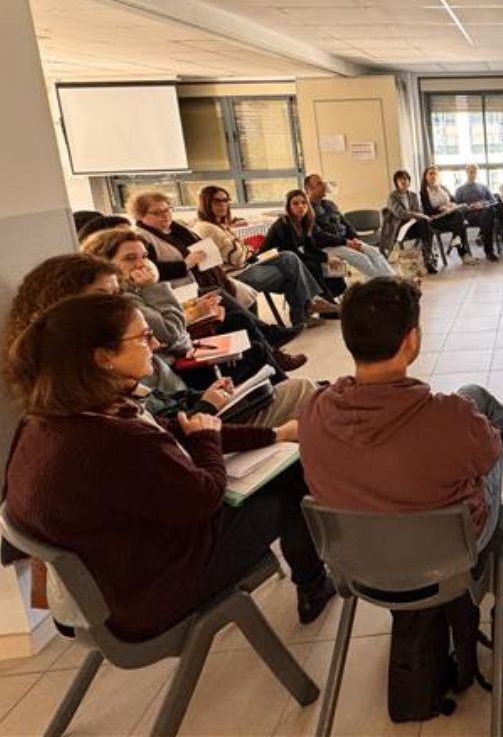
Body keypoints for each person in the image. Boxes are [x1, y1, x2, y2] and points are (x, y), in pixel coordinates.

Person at [3, 293, 334, 641]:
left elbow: (182, 428)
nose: (157, 343)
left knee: (278, 460)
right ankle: (313, 586)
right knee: (291, 475)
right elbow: (203, 497)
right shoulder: (112, 439)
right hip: (143, 599)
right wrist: (208, 442)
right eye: (144, 337)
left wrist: (274, 434)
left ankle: (312, 580)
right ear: (104, 358)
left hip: (105, 585)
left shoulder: (48, 419)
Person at [301, 277, 503, 548]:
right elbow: (490, 453)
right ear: (411, 339)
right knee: (486, 430)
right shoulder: (451, 417)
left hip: (360, 562)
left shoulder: (313, 412)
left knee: (474, 395)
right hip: (454, 554)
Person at [14, 251, 315, 426]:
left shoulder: (72, 368)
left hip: (191, 404)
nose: (140, 263)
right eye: (103, 297)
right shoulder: (97, 378)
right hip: (196, 424)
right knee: (307, 397)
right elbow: (172, 437)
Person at [129, 191, 306, 370]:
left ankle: (270, 348)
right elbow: (151, 271)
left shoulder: (178, 229)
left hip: (211, 277)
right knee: (286, 265)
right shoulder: (142, 238)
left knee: (250, 293)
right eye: (157, 213)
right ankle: (272, 345)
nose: (165, 216)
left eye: (167, 210)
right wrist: (186, 264)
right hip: (182, 290)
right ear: (141, 215)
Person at [193, 185, 338, 326]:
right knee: (291, 269)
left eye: (226, 200)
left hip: (248, 265)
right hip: (235, 275)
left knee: (289, 260)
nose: (223, 205)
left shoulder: (220, 225)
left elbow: (241, 251)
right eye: (217, 201)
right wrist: (246, 250)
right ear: (206, 203)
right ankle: (309, 304)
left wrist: (246, 249)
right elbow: (238, 258)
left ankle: (304, 313)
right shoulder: (206, 228)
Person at [303, 173, 396, 278]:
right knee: (361, 258)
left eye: (323, 183)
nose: (324, 186)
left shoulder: (330, 204)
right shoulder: (307, 210)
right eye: (319, 184)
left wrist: (355, 238)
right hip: (328, 246)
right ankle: (388, 283)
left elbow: (345, 223)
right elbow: (319, 237)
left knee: (374, 252)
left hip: (345, 241)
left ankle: (392, 279)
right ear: (308, 188)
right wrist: (346, 242)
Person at [261, 191, 347, 302]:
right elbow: (293, 253)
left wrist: (328, 257)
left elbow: (310, 248)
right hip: (271, 259)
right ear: (288, 207)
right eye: (295, 203)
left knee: (329, 267)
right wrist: (324, 259)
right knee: (313, 265)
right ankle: (324, 301)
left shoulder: (305, 222)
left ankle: (327, 300)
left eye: (304, 203)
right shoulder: (284, 224)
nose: (301, 206)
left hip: (290, 257)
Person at [381, 169, 438, 274]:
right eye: (400, 179)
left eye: (406, 179)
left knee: (427, 226)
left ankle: (427, 258)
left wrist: (417, 215)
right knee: (427, 227)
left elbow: (418, 210)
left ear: (409, 181)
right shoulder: (392, 197)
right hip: (399, 227)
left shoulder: (413, 195)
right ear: (396, 182)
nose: (403, 181)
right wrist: (416, 215)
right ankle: (428, 258)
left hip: (413, 226)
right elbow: (400, 214)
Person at [419, 165, 477, 267]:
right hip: (436, 220)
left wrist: (451, 205)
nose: (433, 176)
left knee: (461, 211)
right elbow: (427, 211)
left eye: (435, 173)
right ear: (425, 177)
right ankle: (463, 254)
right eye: (430, 173)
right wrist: (440, 208)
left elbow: (454, 200)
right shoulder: (424, 192)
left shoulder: (443, 188)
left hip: (450, 216)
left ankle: (456, 240)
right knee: (461, 223)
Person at [453, 163, 499, 262]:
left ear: (477, 173)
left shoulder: (483, 187)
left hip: (484, 213)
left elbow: (493, 201)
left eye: (474, 171)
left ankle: (484, 240)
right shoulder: (460, 189)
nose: (472, 173)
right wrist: (469, 207)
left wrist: (483, 204)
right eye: (470, 171)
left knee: (489, 211)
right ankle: (488, 249)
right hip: (469, 215)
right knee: (488, 218)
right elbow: (456, 207)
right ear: (466, 172)